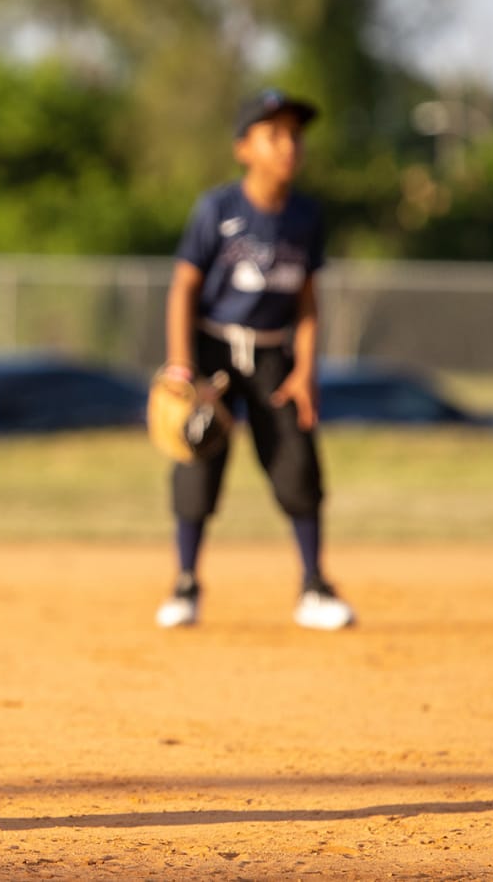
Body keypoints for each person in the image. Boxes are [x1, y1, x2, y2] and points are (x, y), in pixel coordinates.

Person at [154, 90, 356, 632]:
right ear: (244, 148)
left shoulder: (306, 216)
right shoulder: (217, 209)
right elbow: (182, 289)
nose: (289, 145)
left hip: (273, 354)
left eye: (295, 135)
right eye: (274, 135)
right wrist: (180, 368)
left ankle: (314, 585)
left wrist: (305, 370)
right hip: (214, 352)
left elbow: (309, 301)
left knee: (298, 463)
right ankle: (186, 584)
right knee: (198, 459)